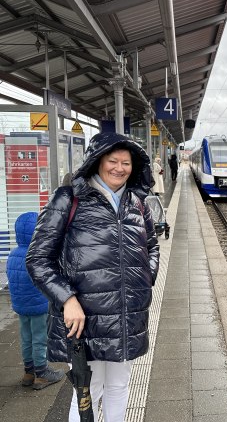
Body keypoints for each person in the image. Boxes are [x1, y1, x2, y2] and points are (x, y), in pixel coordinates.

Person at [26, 132, 160, 422]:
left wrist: (146, 277)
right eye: (113, 160)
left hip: (127, 314)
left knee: (120, 385)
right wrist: (67, 299)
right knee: (88, 390)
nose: (119, 168)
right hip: (87, 316)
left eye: (126, 163)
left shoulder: (136, 202)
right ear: (98, 161)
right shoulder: (69, 199)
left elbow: (152, 245)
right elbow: (37, 259)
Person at [6, 212, 65, 390]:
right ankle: (42, 373)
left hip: (21, 306)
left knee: (26, 337)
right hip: (38, 306)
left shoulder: (13, 254)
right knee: (40, 338)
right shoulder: (37, 256)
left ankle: (28, 371)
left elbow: (11, 280)